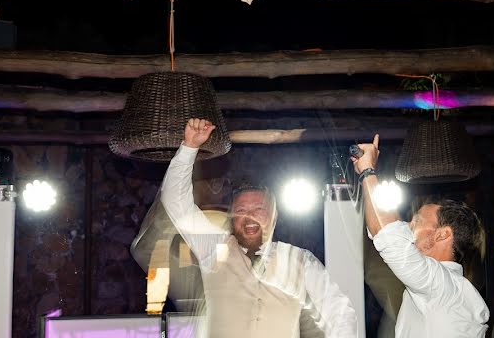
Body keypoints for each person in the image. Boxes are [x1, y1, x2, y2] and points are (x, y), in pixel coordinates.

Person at [146, 117, 358, 338]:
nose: (249, 217)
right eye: (240, 211)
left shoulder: (301, 261)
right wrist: (189, 147)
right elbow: (175, 205)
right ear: (230, 217)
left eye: (258, 209)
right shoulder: (213, 249)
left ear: (274, 217)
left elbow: (339, 312)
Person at [351, 134, 489, 337]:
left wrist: (368, 171)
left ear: (442, 235)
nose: (407, 226)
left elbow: (388, 234)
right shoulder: (445, 288)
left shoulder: (442, 286)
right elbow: (384, 232)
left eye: (417, 222)